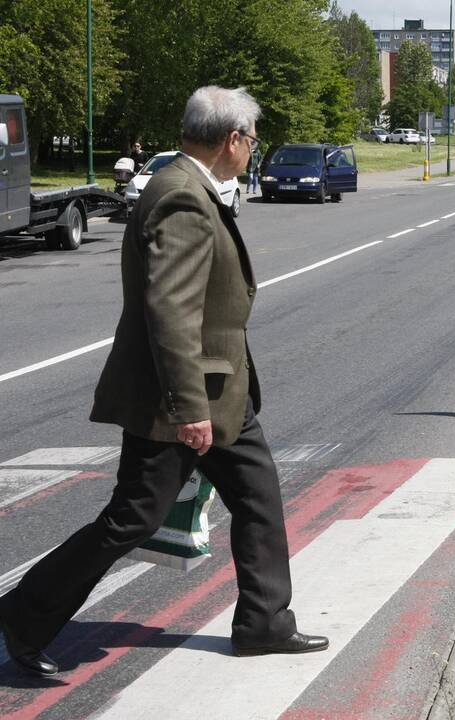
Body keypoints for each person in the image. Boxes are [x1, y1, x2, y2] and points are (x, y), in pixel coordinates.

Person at [0, 86, 329, 678]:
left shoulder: (193, 186)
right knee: (133, 517)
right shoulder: (182, 195)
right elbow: (170, 311)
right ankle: (22, 615)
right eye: (252, 140)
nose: (253, 151)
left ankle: (263, 622)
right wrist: (188, 407)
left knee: (259, 496)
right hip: (182, 397)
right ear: (232, 139)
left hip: (220, 393)